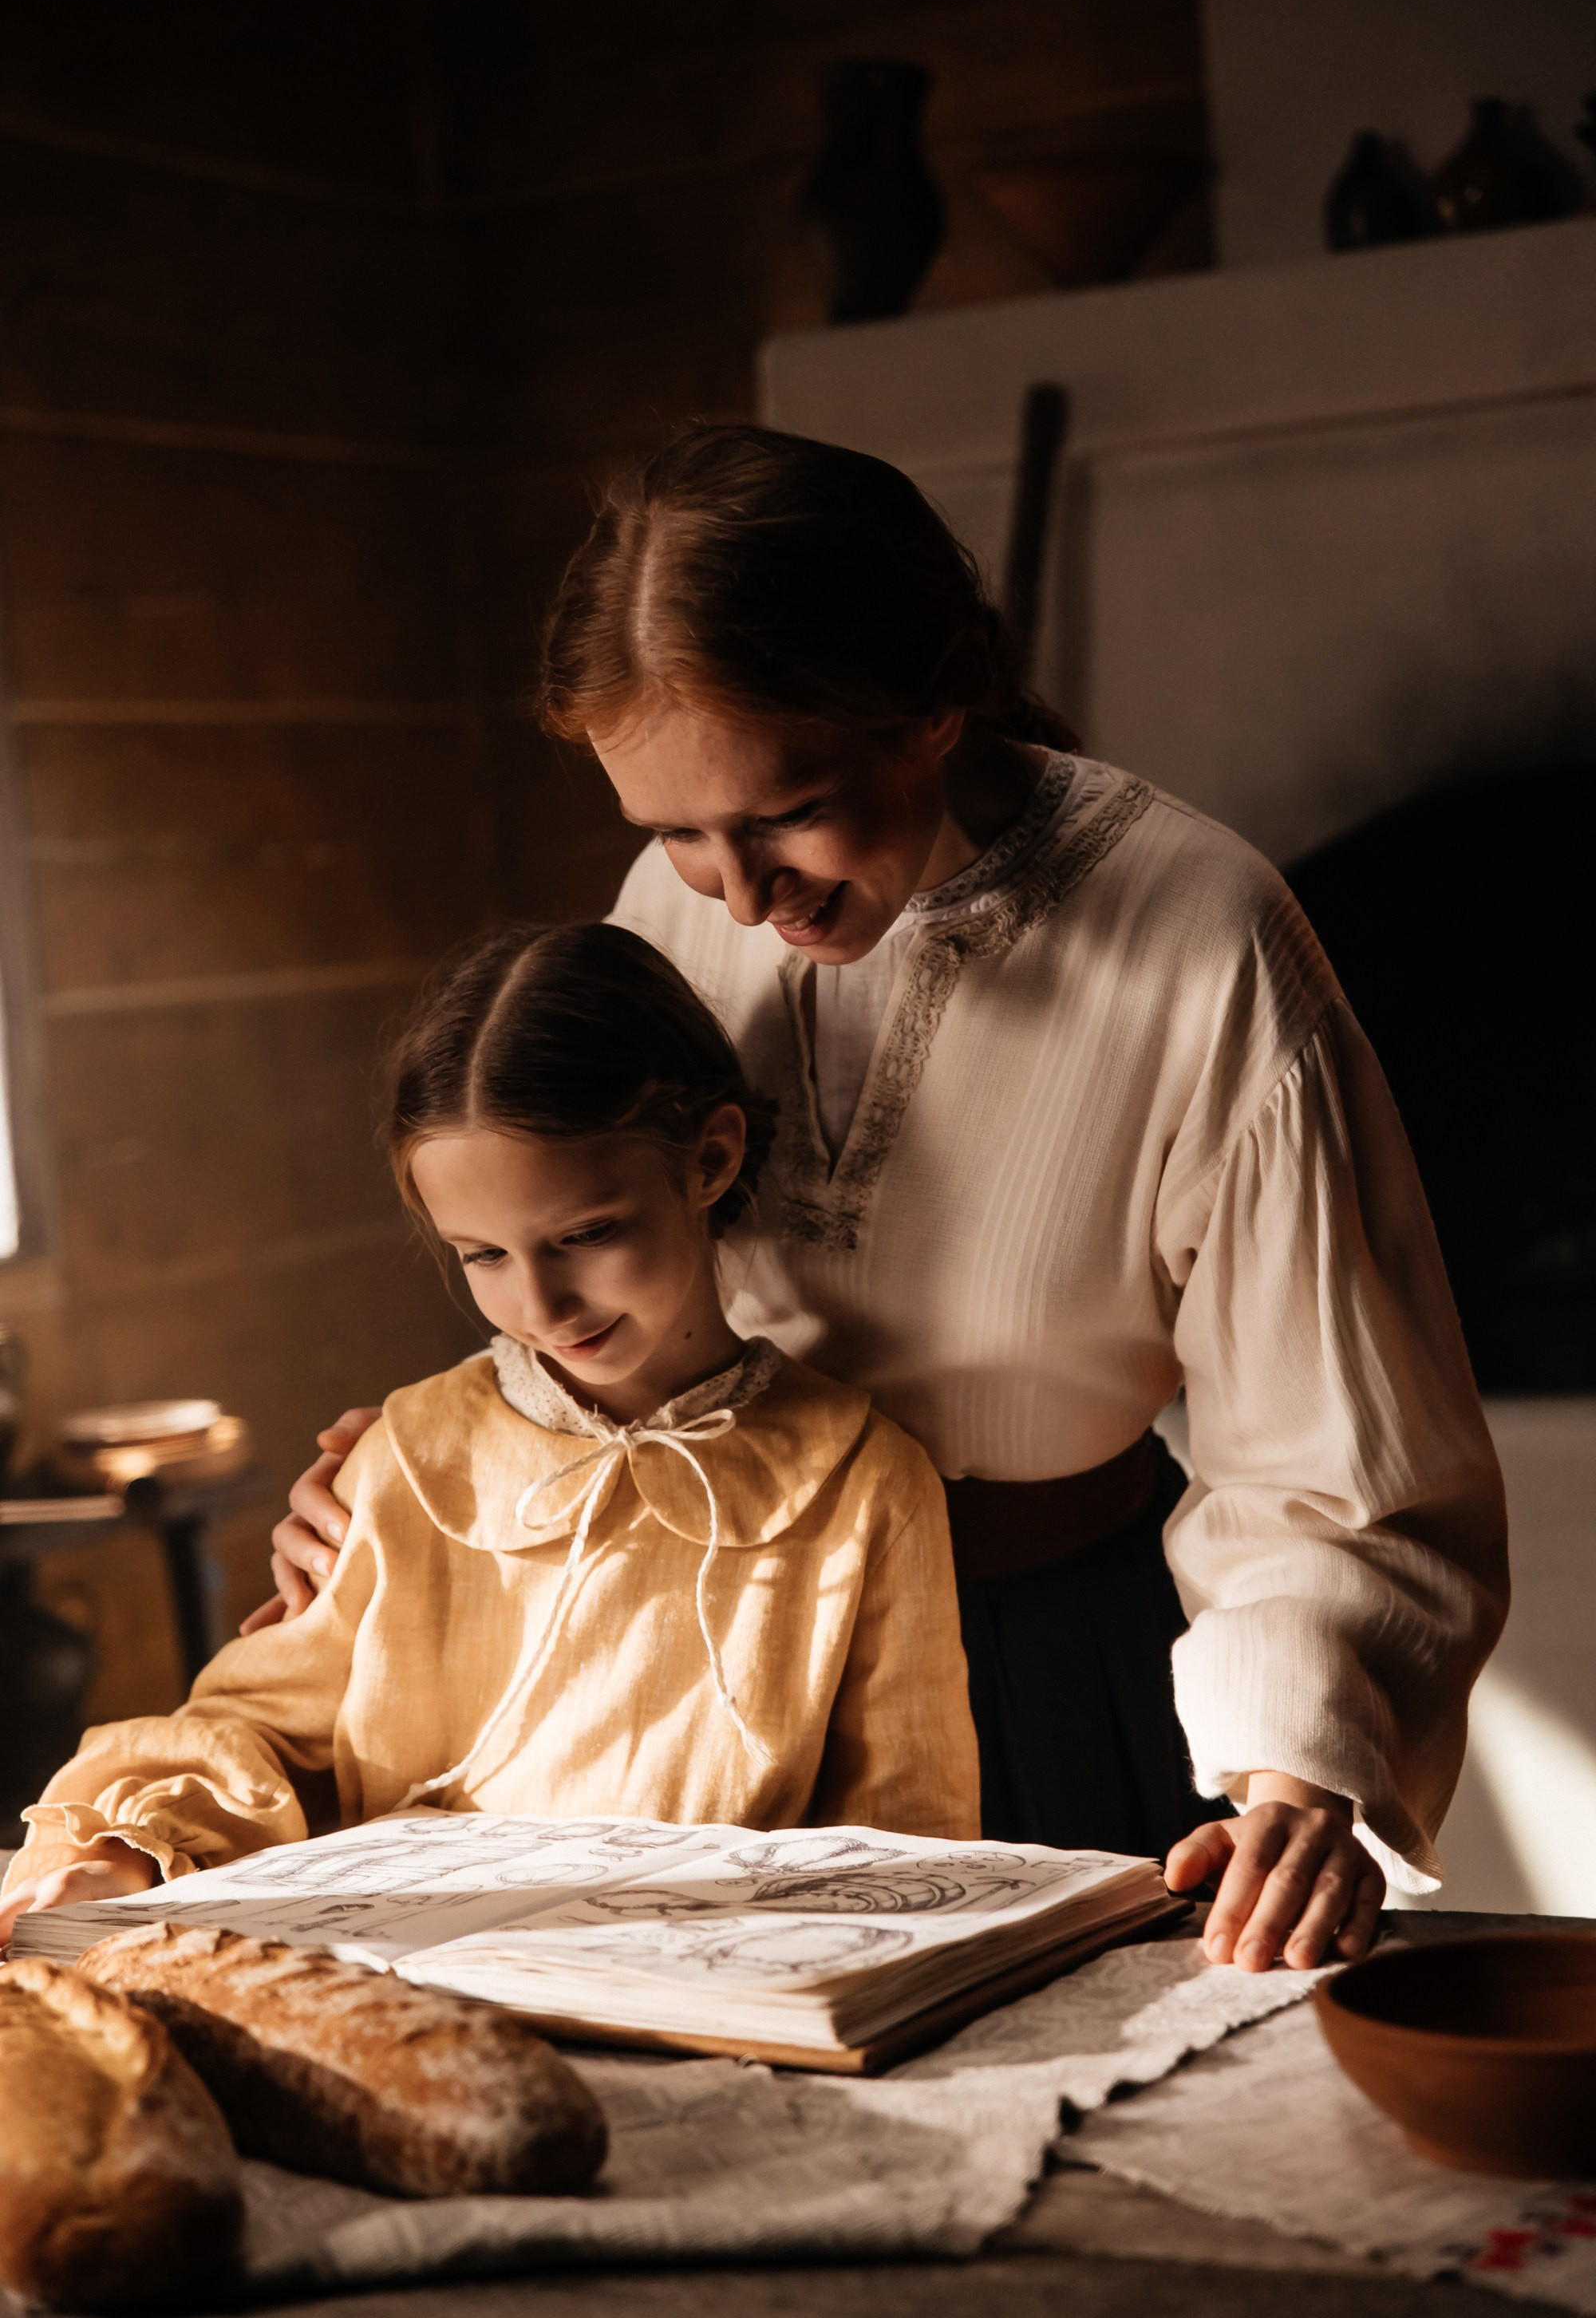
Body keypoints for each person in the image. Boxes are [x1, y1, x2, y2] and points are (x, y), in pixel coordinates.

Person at [254, 424, 1509, 1976]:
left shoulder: (1204, 940)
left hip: (1040, 1665)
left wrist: (1299, 1767)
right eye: (669, 831)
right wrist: (438, 1463)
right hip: (699, 1644)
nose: (732, 892)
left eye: (784, 812)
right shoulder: (674, 910)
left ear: (935, 704)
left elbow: (1327, 1455)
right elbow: (600, 1247)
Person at [0, 922, 979, 1942]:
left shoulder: (862, 1478)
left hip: (727, 1995)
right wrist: (124, 1848)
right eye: (483, 1257)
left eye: (586, 1235)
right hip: (427, 1983)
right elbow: (247, 1728)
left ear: (711, 1159)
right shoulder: (408, 1458)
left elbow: (912, 1836)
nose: (545, 1305)